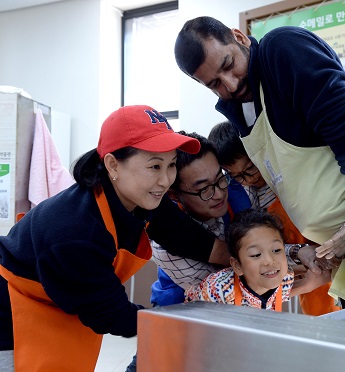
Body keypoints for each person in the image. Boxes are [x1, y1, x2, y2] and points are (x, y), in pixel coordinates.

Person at [174, 17, 345, 306]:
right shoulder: (241, 108)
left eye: (229, 65)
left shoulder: (281, 49)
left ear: (239, 38)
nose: (229, 84)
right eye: (214, 84)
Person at [0, 105, 230, 371]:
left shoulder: (141, 198)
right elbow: (109, 313)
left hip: (63, 302)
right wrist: (172, 325)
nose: (166, 180)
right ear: (112, 165)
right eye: (154, 166)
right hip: (14, 312)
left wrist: (240, 260)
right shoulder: (77, 233)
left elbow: (184, 235)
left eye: (171, 165)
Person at [209, 121, 341, 315]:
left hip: (332, 247)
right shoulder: (250, 198)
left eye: (250, 169)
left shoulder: (288, 176)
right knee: (324, 321)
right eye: (236, 176)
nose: (248, 180)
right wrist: (299, 254)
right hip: (308, 267)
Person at [150, 131, 250, 306]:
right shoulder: (166, 246)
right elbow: (223, 291)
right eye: (204, 189)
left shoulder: (237, 193)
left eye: (220, 178)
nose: (219, 194)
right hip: (184, 311)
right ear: (174, 195)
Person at [186, 208, 330, 310]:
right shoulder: (217, 290)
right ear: (237, 266)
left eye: (276, 250)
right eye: (256, 254)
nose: (269, 260)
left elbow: (274, 297)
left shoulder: (285, 278)